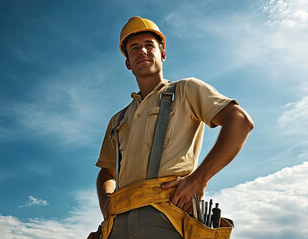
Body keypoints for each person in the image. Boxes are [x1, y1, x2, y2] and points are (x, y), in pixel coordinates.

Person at [95, 16, 254, 239]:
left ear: (162, 54)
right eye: (134, 48)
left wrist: (199, 179)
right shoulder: (118, 120)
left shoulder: (186, 90)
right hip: (117, 223)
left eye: (149, 45)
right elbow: (106, 171)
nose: (142, 51)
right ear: (128, 63)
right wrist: (106, 203)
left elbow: (239, 121)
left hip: (167, 216)